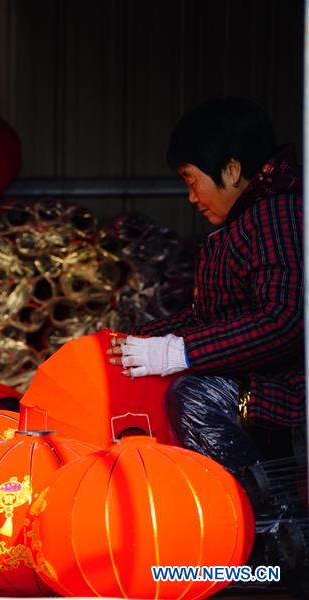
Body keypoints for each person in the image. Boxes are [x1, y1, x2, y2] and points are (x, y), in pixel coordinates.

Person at [107, 97, 304, 479]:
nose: (192, 197)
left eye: (191, 179)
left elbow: (285, 319)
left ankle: (264, 514)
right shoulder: (247, 221)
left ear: (231, 170)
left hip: (288, 391)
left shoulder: (279, 215)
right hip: (259, 379)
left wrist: (179, 351)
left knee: (193, 397)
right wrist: (139, 341)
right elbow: (211, 318)